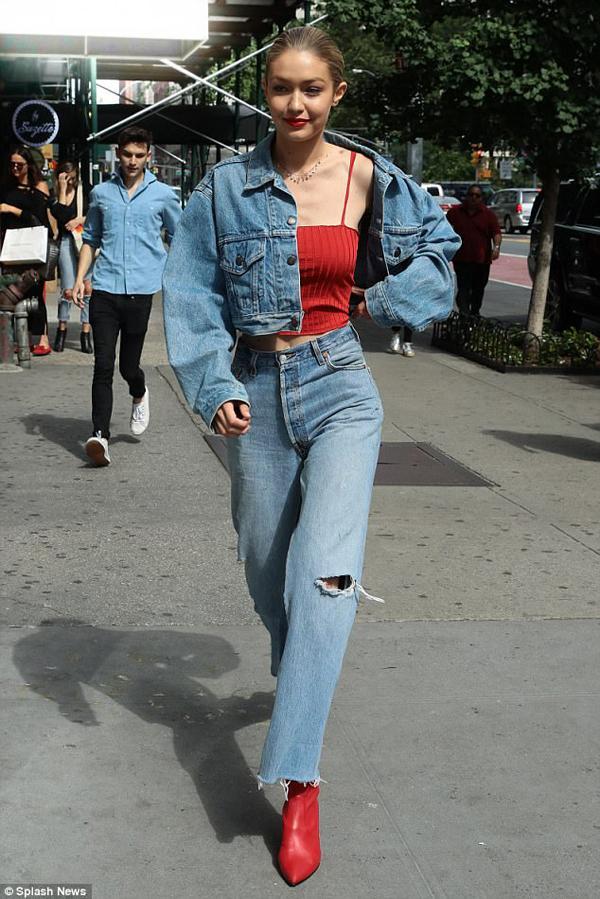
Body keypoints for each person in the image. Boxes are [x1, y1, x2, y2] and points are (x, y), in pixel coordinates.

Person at [163, 26, 459, 887]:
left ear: (337, 93)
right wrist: (212, 381)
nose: (296, 103)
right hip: (253, 392)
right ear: (265, 91)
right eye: (281, 87)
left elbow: (439, 256)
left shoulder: (369, 176)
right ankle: (301, 674)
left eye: (312, 89)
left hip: (340, 386)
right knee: (269, 580)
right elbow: (190, 291)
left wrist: (384, 299)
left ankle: (300, 781)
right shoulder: (224, 187)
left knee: (326, 575)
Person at [73, 126, 181, 467]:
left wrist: (179, 279)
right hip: (104, 288)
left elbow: (180, 237)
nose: (132, 161)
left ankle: (139, 391)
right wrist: (79, 279)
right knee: (103, 364)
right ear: (118, 154)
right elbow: (90, 238)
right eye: (127, 154)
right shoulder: (101, 193)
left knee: (128, 366)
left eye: (139, 155)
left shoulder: (163, 195)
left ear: (148, 155)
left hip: (141, 291)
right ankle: (100, 436)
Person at [0, 146, 52, 354]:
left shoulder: (38, 186)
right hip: (11, 245)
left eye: (19, 165)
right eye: (12, 164)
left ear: (28, 166)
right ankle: (21, 338)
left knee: (35, 290)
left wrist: (11, 209)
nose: (15, 168)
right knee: (15, 291)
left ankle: (42, 338)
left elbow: (39, 219)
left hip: (31, 244)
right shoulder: (6, 187)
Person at [50, 161, 93, 353]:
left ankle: (85, 333)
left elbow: (97, 212)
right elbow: (61, 215)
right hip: (67, 241)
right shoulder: (55, 194)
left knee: (87, 287)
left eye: (72, 177)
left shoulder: (86, 190)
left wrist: (79, 220)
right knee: (68, 289)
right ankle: (62, 330)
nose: (69, 181)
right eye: (65, 177)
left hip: (84, 240)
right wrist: (62, 190)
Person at [446, 184, 501, 316]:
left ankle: (475, 312)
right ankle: (464, 313)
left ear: (481, 198)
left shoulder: (488, 214)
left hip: (482, 260)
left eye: (477, 196)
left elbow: (496, 233)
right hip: (462, 258)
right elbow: (444, 229)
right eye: (471, 195)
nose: (473, 198)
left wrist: (496, 247)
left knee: (478, 288)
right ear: (466, 196)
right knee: (464, 287)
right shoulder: (455, 212)